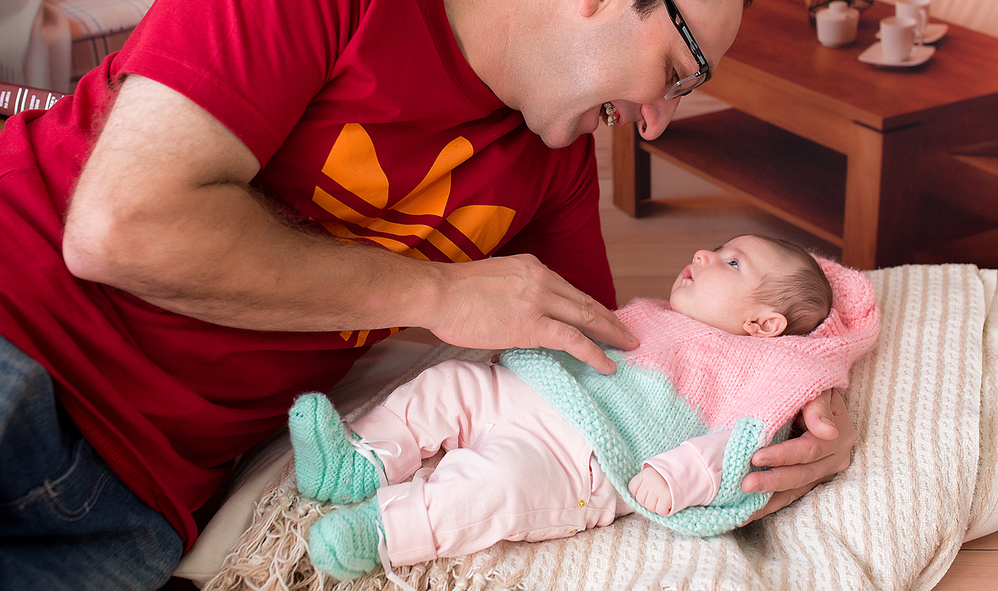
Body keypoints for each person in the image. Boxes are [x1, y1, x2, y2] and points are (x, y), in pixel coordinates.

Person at [0, 0, 855, 590]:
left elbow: (615, 369)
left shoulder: (551, 168)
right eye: (679, 67)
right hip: (3, 319)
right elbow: (121, 229)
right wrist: (438, 293)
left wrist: (801, 391)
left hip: (130, 499)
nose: (660, 118)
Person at [288, 236, 879, 583]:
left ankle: (383, 530)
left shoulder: (760, 373)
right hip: (534, 390)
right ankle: (359, 461)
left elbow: (736, 448)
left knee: (494, 486)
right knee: (448, 382)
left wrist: (674, 477)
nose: (703, 252)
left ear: (763, 325)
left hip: (579, 463)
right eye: (718, 248)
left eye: (730, 263)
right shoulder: (658, 314)